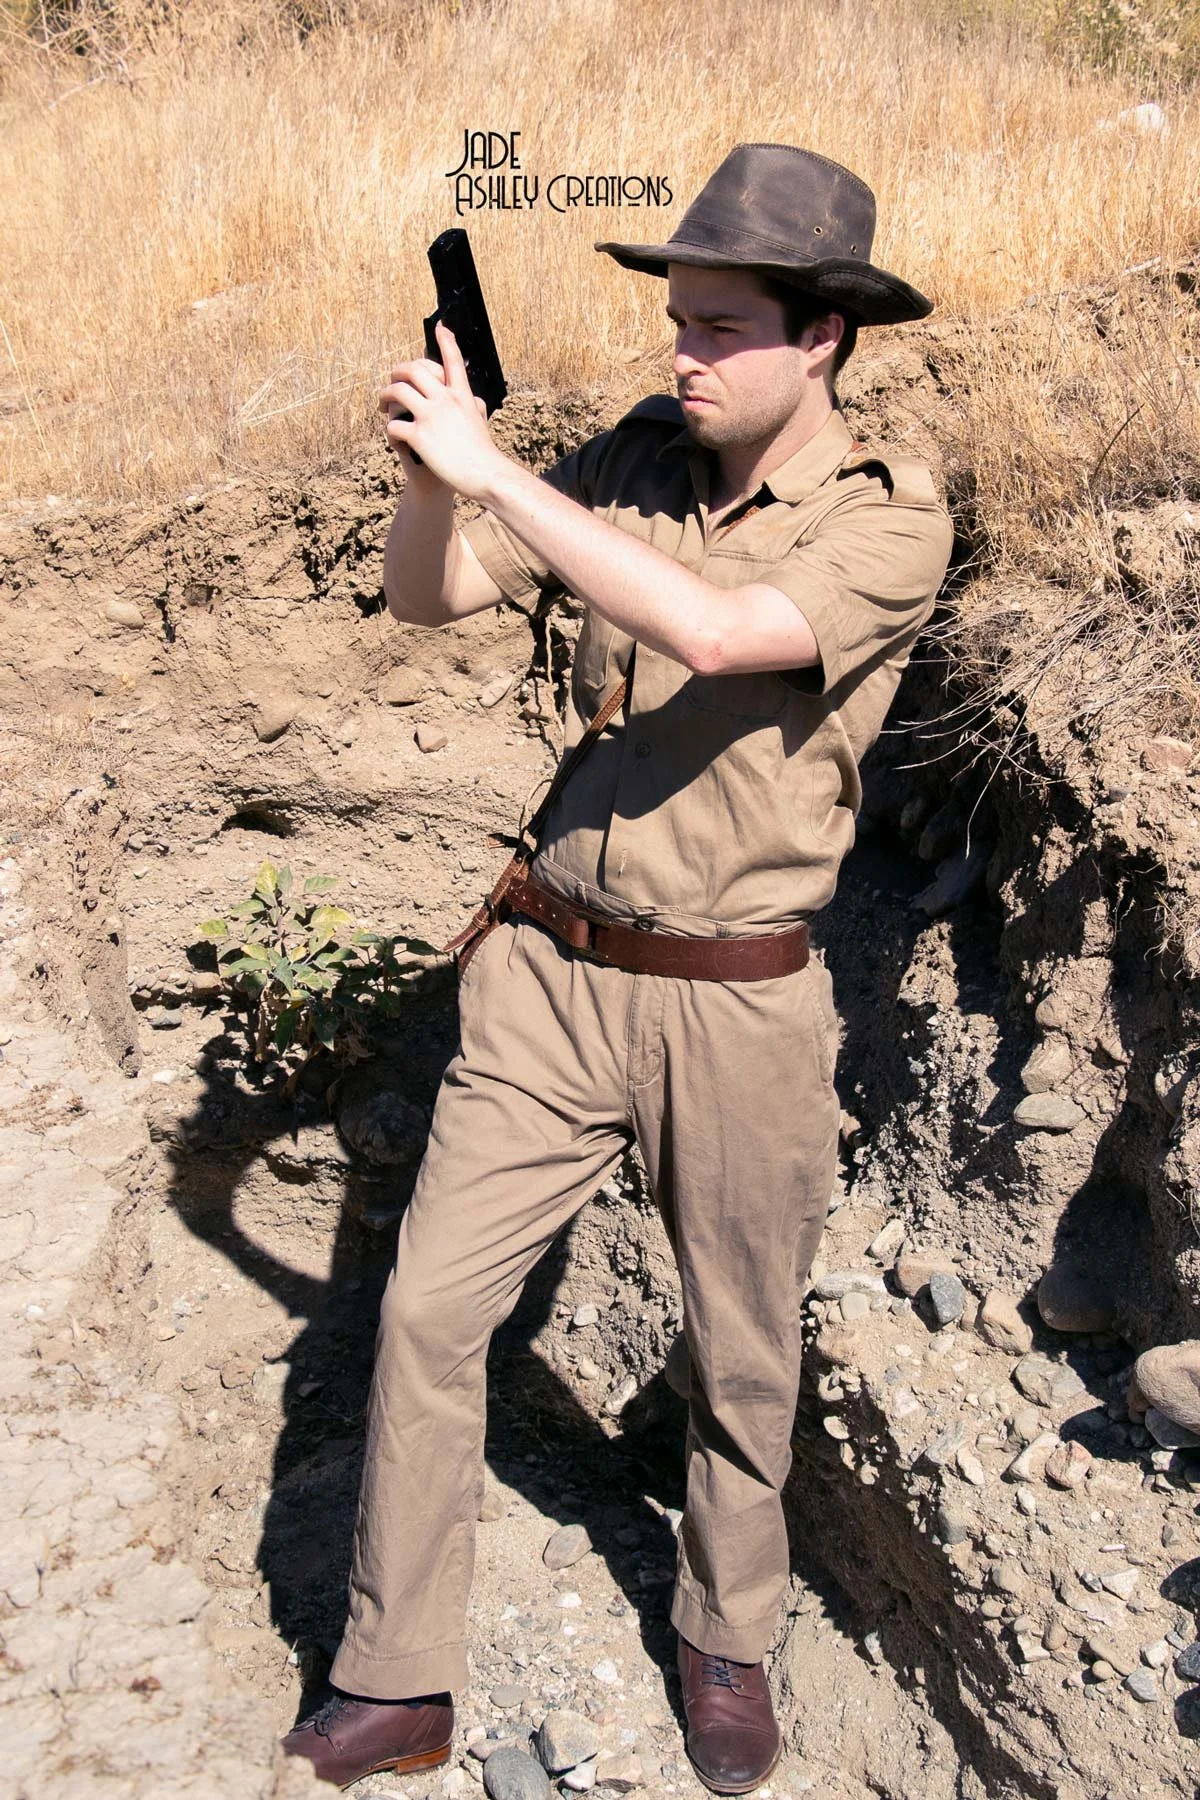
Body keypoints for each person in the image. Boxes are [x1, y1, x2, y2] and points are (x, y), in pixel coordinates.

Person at [282, 142, 954, 1792]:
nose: (686, 355)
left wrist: (506, 476)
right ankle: (399, 1678)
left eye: (723, 328)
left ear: (825, 341)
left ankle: (726, 1640)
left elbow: (725, 638)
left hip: (738, 997)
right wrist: (441, 472)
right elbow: (426, 599)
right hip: (551, 973)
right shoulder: (634, 457)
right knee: (429, 1310)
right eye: (679, 321)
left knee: (740, 1349)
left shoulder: (890, 513)